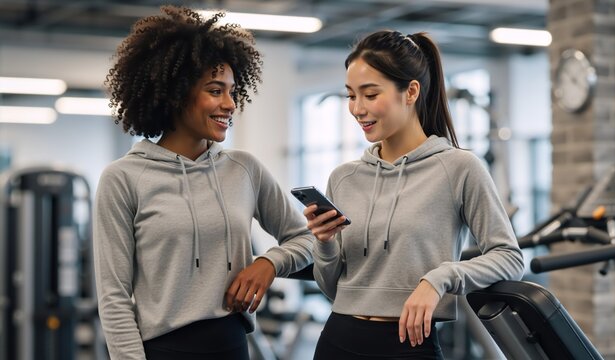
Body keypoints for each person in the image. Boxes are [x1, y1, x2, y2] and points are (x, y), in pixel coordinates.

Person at [93, 6, 314, 359]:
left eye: (231, 91)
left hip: (232, 345)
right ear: (176, 92)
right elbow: (114, 296)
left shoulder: (244, 169)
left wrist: (269, 263)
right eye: (215, 91)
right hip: (162, 349)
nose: (229, 104)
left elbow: (304, 239)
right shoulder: (123, 179)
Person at [304, 30, 525, 359]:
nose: (357, 108)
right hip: (338, 339)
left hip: (410, 345)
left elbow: (510, 258)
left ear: (410, 91)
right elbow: (332, 287)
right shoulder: (344, 177)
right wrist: (323, 244)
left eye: (370, 94)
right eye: (351, 95)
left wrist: (439, 279)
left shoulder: (459, 168)